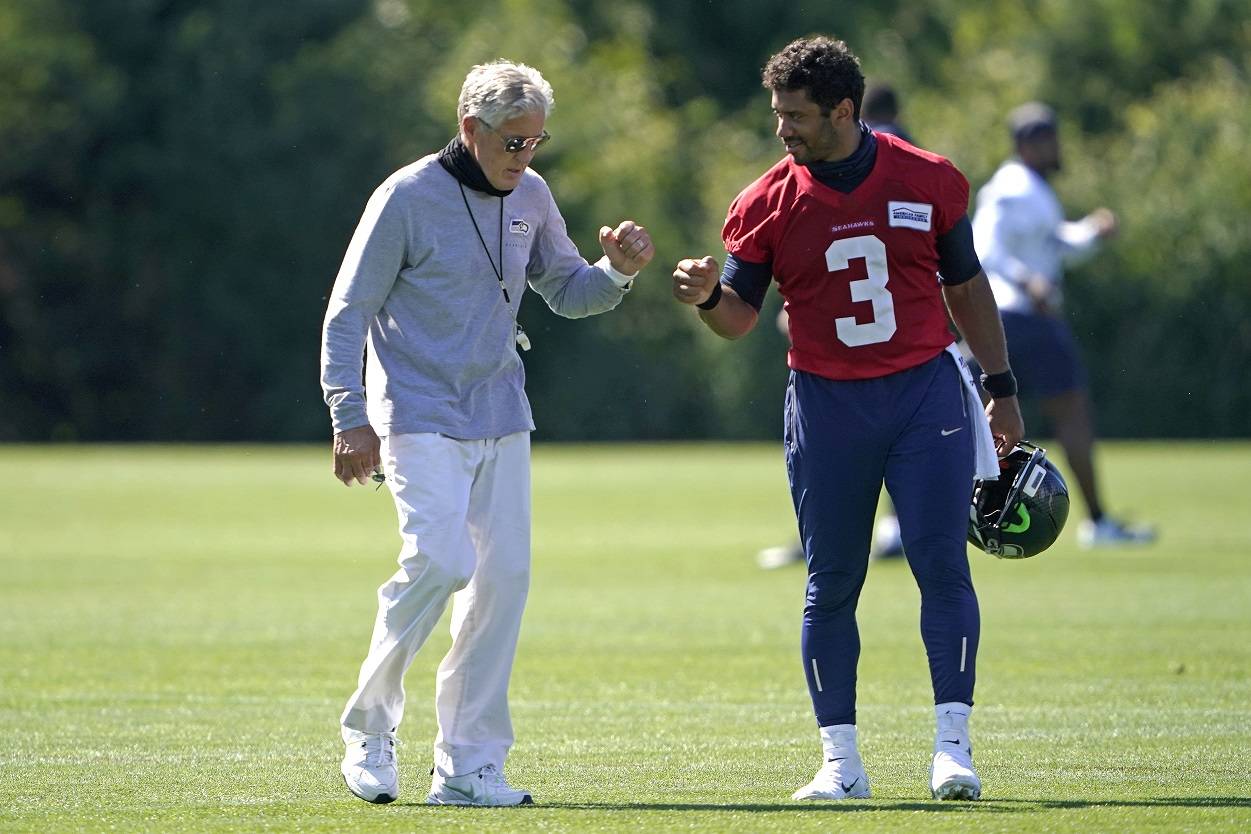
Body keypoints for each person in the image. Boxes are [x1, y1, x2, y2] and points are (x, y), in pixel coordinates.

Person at [672, 36, 1023, 801]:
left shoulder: (926, 178)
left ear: (842, 109)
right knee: (830, 582)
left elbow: (967, 289)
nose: (781, 130)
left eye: (795, 115)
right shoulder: (766, 199)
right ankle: (840, 764)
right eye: (775, 114)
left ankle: (951, 750)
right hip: (826, 403)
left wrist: (1000, 387)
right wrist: (704, 297)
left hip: (923, 394)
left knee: (941, 566)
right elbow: (738, 320)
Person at [320, 60, 653, 807]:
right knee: (439, 561)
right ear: (470, 129)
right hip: (413, 407)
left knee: (501, 585)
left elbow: (567, 292)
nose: (522, 157)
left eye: (535, 142)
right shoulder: (404, 197)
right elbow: (347, 312)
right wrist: (350, 417)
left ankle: (468, 765)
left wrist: (617, 270)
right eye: (510, 142)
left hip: (501, 410)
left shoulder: (531, 193)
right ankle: (369, 726)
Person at [972, 103, 1155, 548]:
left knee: (965, 419)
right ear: (1027, 145)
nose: (1055, 148)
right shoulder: (1011, 187)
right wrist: (1024, 278)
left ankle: (1095, 521)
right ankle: (1097, 521)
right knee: (1069, 413)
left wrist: (1091, 231)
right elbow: (983, 245)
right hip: (1017, 316)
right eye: (1047, 140)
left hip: (1015, 317)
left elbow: (1055, 246)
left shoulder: (1034, 188)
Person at [755, 80, 916, 571]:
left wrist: (808, 301)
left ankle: (834, 540)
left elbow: (842, 225)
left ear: (845, 111)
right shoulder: (902, 155)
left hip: (853, 335)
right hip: (892, 324)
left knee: (844, 452)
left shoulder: (851, 158)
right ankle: (893, 529)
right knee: (900, 440)